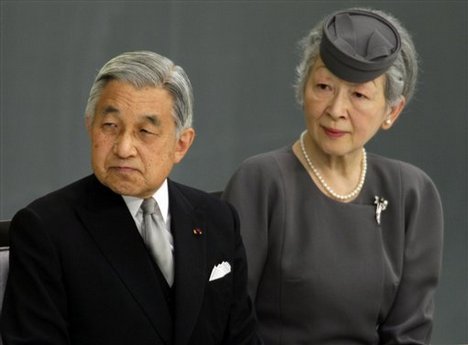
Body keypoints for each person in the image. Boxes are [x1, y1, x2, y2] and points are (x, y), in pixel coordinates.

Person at [1, 51, 261, 345]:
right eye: (110, 126)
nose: (124, 148)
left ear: (181, 144)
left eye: (145, 131)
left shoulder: (218, 219)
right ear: (90, 126)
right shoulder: (46, 229)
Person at [223, 8, 443, 345]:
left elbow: (409, 335)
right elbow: (227, 323)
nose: (336, 110)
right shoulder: (261, 182)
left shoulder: (411, 193)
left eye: (359, 95)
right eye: (324, 86)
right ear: (303, 87)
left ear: (392, 111)